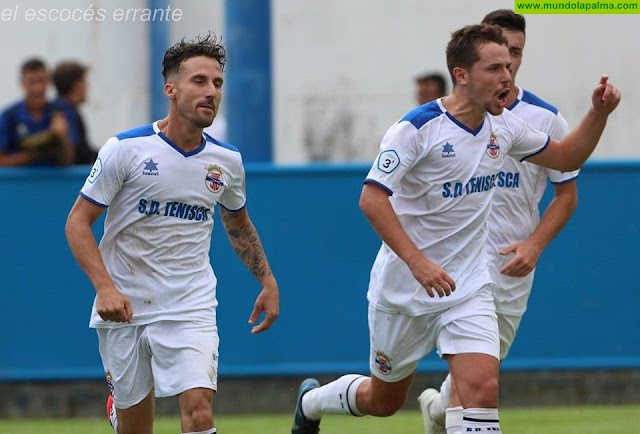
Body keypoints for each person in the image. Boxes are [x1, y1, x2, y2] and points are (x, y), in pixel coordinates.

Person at [291, 23, 619, 434]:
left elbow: (567, 154)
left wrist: (598, 114)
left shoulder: (506, 126)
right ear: (461, 74)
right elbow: (371, 199)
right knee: (383, 401)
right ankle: (311, 403)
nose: (507, 76)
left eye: (509, 66)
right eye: (494, 68)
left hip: (468, 286)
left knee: (482, 389)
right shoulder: (415, 129)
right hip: (405, 289)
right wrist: (417, 263)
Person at [65, 33, 280, 434]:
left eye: (217, 83)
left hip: (189, 305)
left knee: (199, 413)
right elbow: (77, 223)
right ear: (171, 89)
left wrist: (266, 280)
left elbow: (237, 223)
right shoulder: (125, 149)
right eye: (199, 81)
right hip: (125, 306)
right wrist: (104, 288)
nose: (211, 91)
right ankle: (121, 406)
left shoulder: (227, 161)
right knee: (136, 428)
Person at [418, 11, 579, 434]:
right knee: (481, 387)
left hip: (511, 262)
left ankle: (436, 411)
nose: (509, 66)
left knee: (475, 380)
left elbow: (567, 194)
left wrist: (535, 245)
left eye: (517, 56)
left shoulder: (543, 119)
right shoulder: (442, 121)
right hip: (457, 263)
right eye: (502, 55)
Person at [0, 57, 74, 166]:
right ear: (22, 83)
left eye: (41, 80)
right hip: (20, 182)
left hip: (54, 181)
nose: (37, 88)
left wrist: (63, 137)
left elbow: (70, 161)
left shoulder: (61, 112)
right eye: (32, 82)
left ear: (48, 81)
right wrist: (36, 154)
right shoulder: (9, 116)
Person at [52, 61, 98, 164]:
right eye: (84, 82)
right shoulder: (66, 112)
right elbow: (79, 152)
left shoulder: (60, 108)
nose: (87, 87)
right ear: (77, 85)